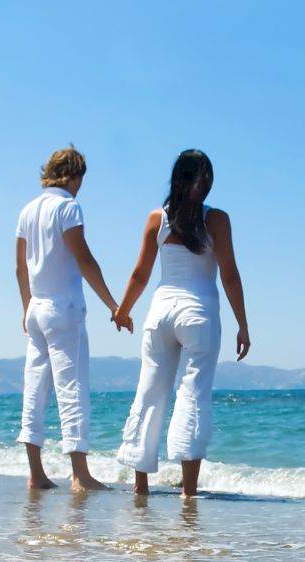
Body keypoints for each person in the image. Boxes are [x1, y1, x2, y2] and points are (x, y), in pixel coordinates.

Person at [112, 149, 250, 497]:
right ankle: (188, 492)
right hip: (198, 314)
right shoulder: (215, 219)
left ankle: (140, 486)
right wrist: (243, 325)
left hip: (159, 313)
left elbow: (140, 273)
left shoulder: (157, 218)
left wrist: (123, 309)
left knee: (149, 392)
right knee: (192, 395)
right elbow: (230, 275)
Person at [15, 146, 124, 491]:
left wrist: (25, 307)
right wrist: (113, 305)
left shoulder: (28, 210)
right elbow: (84, 259)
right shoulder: (67, 207)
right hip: (64, 310)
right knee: (72, 390)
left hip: (36, 309)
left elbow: (20, 267)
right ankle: (80, 475)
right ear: (74, 175)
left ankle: (36, 473)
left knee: (34, 389)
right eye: (81, 179)